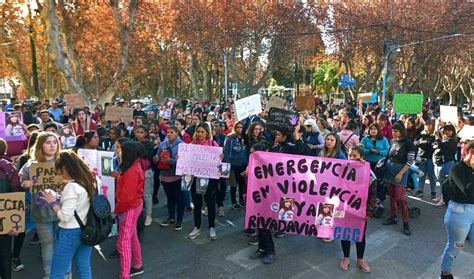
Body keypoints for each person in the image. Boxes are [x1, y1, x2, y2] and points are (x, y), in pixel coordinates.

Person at [40, 151, 96, 279]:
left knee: (57, 272)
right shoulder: (89, 181)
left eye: (59, 171)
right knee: (84, 267)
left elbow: (65, 216)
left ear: (64, 168)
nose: (59, 175)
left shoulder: (71, 187)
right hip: (87, 229)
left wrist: (53, 202)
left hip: (69, 233)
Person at [19, 131, 62, 278]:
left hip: (62, 210)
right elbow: (20, 180)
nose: (52, 145)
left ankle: (64, 273)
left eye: (55, 142)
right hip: (41, 211)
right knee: (47, 243)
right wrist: (27, 183)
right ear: (40, 145)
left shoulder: (64, 161)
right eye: (48, 142)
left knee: (62, 244)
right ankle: (49, 274)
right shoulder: (31, 164)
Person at [439, 142, 474, 279]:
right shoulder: (457, 168)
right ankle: (446, 273)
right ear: (471, 152)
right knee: (455, 247)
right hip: (460, 213)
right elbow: (468, 190)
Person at [339, 145, 376, 273]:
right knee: (345, 233)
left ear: (362, 157)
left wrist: (369, 211)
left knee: (360, 234)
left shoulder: (368, 173)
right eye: (350, 155)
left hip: (361, 210)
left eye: (355, 156)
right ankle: (346, 257)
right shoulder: (343, 169)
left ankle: (360, 259)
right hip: (345, 208)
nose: (352, 158)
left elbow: (372, 194)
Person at [115, 141, 145, 278]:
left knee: (123, 243)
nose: (118, 151)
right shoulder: (134, 165)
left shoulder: (132, 170)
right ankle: (137, 265)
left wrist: (117, 211)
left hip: (129, 209)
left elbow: (126, 198)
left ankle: (125, 274)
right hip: (133, 206)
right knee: (132, 237)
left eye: (120, 149)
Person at [187, 123, 221, 240]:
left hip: (210, 178)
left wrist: (221, 158)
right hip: (195, 177)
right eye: (198, 131)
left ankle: (212, 227)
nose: (200, 134)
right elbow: (186, 159)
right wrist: (181, 158)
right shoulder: (191, 145)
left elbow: (219, 161)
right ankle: (197, 226)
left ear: (207, 133)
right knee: (196, 203)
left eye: (203, 132)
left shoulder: (213, 144)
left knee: (210, 203)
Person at [382, 122, 416, 236]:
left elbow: (410, 161)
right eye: (393, 130)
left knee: (400, 198)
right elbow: (388, 155)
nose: (393, 133)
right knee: (391, 196)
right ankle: (393, 217)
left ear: (401, 131)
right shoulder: (393, 141)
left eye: (396, 131)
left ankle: (406, 223)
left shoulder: (408, 143)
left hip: (400, 173)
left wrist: (401, 174)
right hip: (389, 172)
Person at [0, 139, 22, 279]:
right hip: (6, 219)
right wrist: (15, 224)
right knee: (5, 252)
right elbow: (16, 195)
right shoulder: (10, 168)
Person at [155, 126, 184, 230]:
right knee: (170, 198)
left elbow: (183, 163)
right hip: (165, 176)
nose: (169, 134)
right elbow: (157, 158)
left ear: (177, 133)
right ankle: (171, 217)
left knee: (179, 199)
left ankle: (179, 220)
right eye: (167, 132)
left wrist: (170, 161)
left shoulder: (182, 146)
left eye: (171, 132)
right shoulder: (163, 144)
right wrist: (156, 158)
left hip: (176, 177)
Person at [223, 121, 248, 210]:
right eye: (238, 127)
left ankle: (241, 200)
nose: (240, 129)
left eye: (241, 127)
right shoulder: (230, 138)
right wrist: (228, 165)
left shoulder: (245, 138)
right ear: (234, 128)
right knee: (233, 185)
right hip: (233, 165)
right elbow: (226, 152)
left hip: (243, 165)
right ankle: (233, 202)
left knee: (242, 184)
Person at [133, 125, 154, 226]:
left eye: (141, 132)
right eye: (137, 132)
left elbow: (146, 156)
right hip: (134, 172)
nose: (139, 134)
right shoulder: (131, 142)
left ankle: (148, 215)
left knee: (146, 194)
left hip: (145, 171)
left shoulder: (148, 144)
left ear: (146, 133)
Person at [432, 124, 458, 207]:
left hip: (447, 163)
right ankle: (441, 196)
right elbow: (435, 145)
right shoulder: (445, 139)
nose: (446, 131)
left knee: (444, 182)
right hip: (440, 162)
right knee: (440, 181)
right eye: (445, 130)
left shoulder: (453, 141)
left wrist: (437, 138)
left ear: (453, 131)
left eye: (449, 130)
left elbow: (441, 145)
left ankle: (444, 200)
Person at [414, 119, 437, 199]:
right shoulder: (421, 134)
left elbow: (435, 145)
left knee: (431, 175)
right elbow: (415, 143)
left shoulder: (434, 135)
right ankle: (420, 190)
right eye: (426, 125)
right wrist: (420, 142)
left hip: (430, 157)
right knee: (421, 175)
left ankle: (433, 191)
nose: (428, 126)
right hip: (421, 157)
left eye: (430, 125)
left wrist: (427, 143)